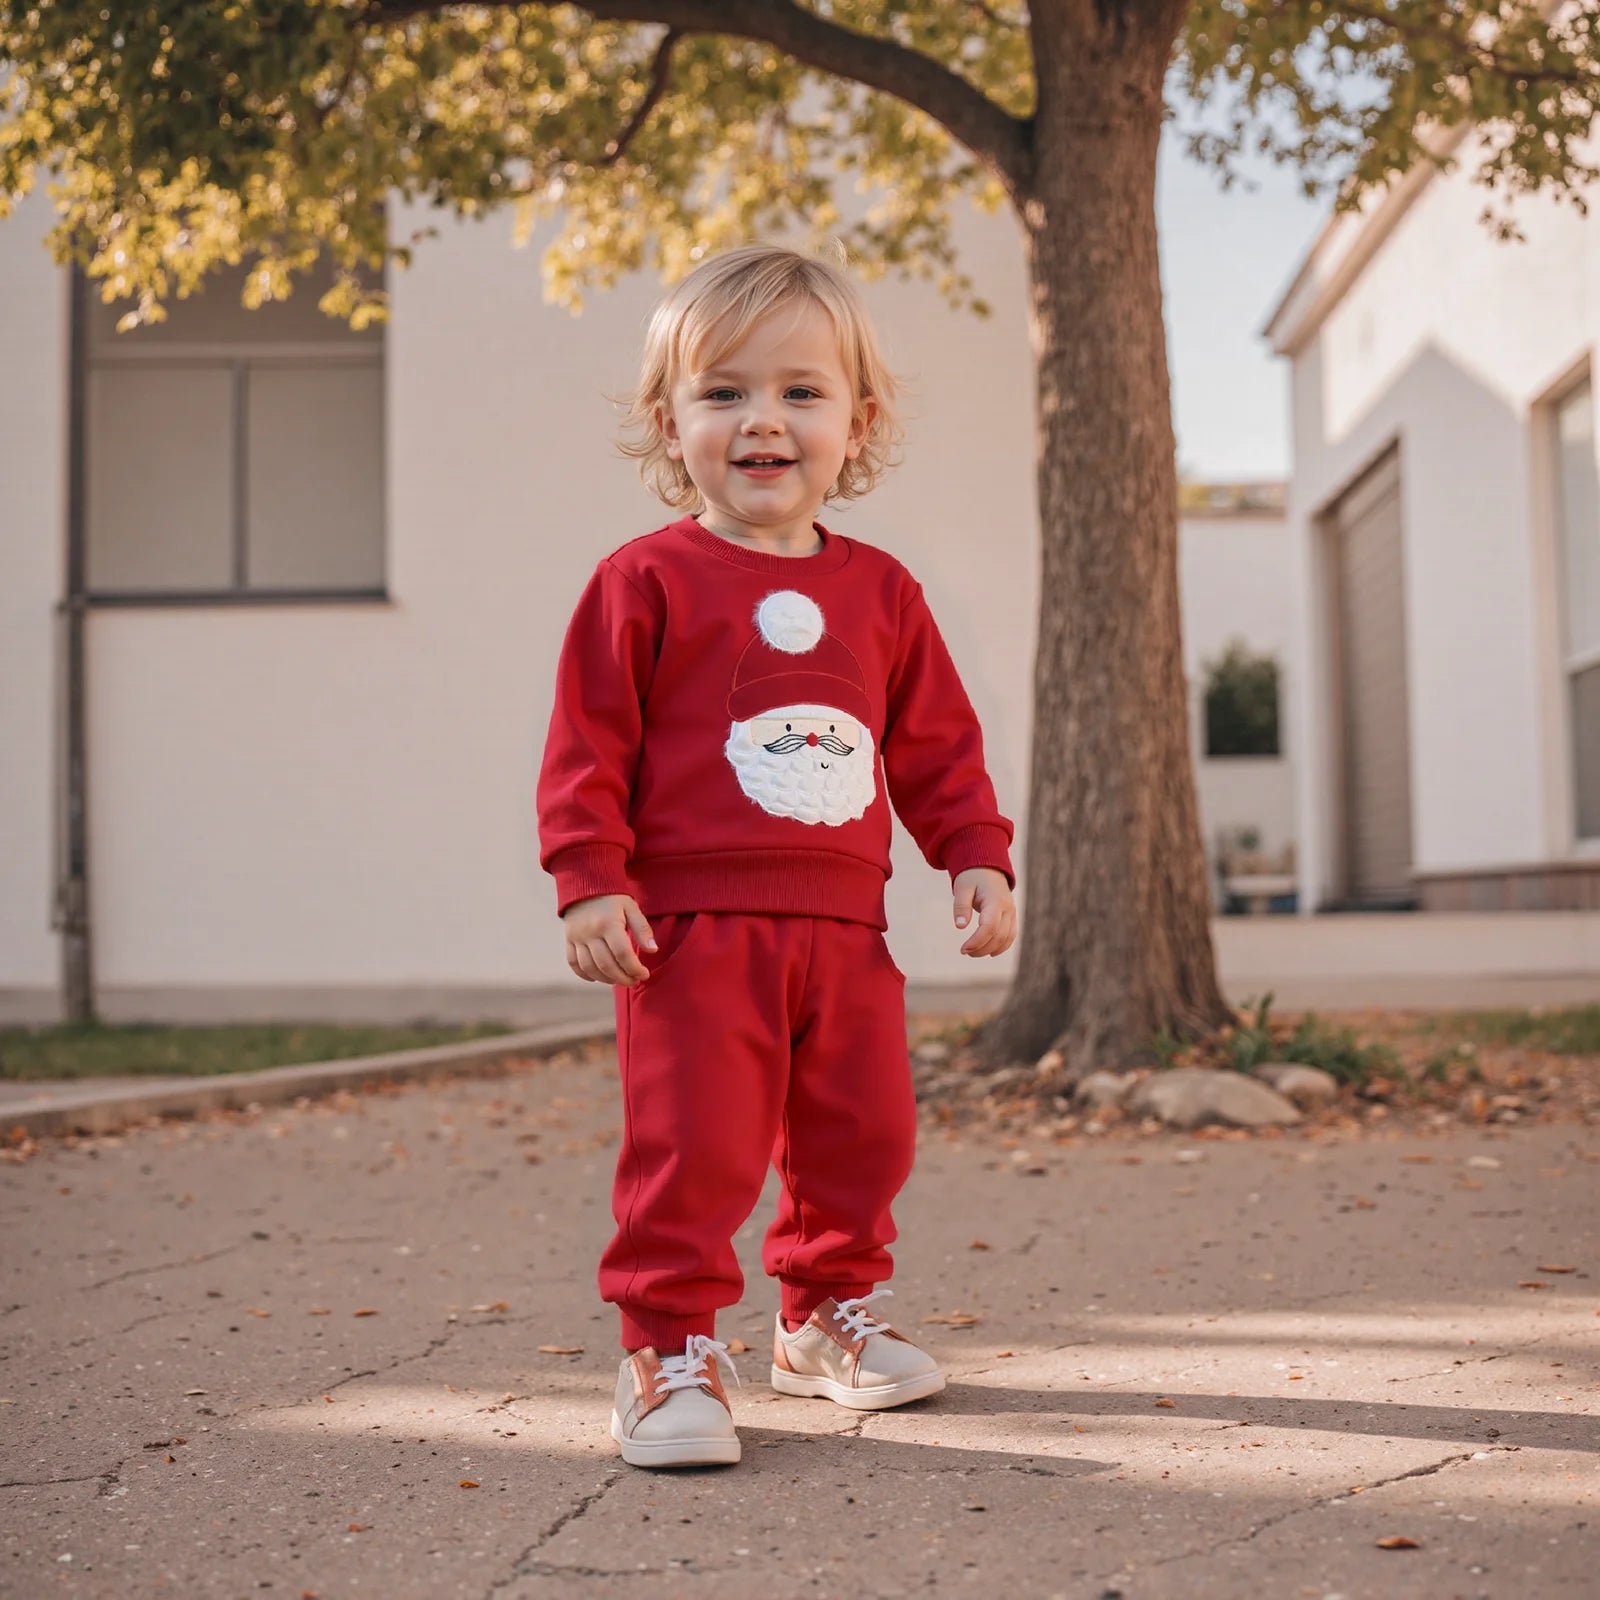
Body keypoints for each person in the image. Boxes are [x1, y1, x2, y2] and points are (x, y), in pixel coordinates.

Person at [536, 244, 1018, 1469]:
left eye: (802, 392)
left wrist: (973, 850)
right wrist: (590, 875)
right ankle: (668, 1349)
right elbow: (587, 741)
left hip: (848, 932)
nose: (765, 420)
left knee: (864, 1131)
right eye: (725, 392)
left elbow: (935, 741)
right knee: (693, 1146)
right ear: (671, 421)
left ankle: (818, 1321)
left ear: (858, 423)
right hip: (690, 935)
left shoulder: (884, 592)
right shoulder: (642, 581)